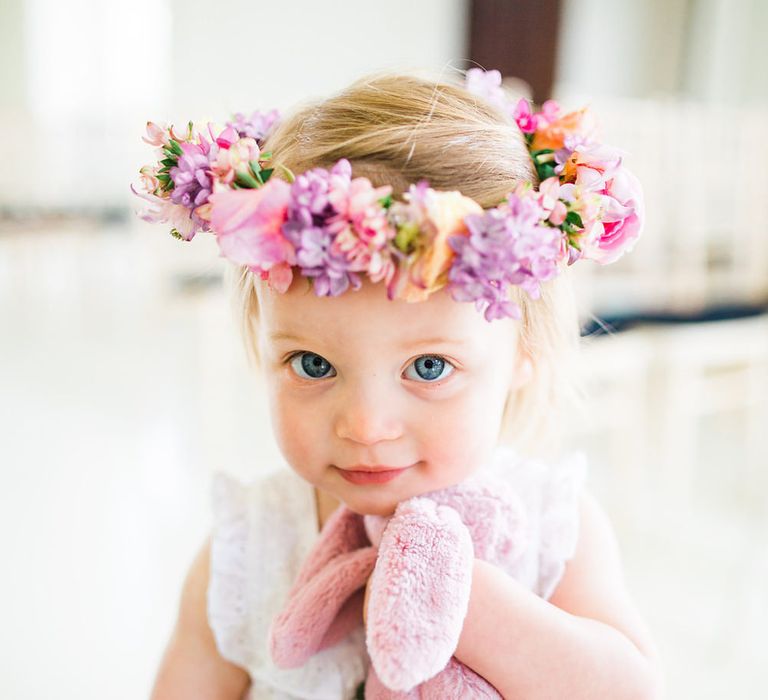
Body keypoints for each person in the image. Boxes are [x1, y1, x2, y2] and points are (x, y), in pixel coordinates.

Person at [141, 69, 664, 699]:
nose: (364, 425)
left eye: (429, 368)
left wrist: (469, 603)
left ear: (523, 349)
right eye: (312, 364)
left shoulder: (552, 525)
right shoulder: (250, 546)